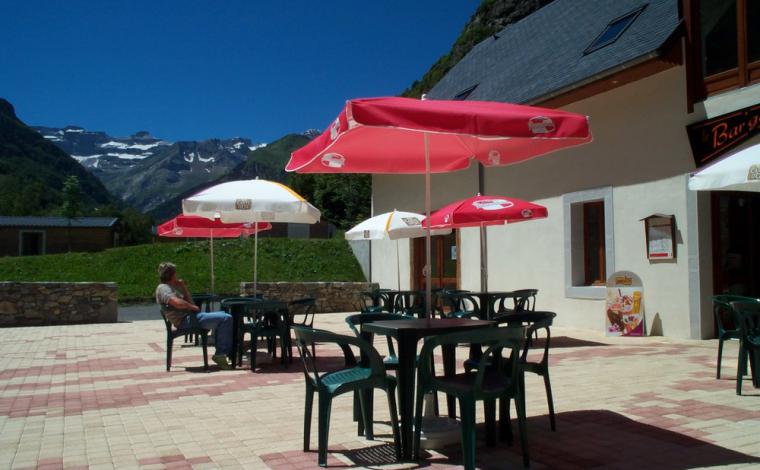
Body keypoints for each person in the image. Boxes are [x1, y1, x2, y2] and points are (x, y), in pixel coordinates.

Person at [155, 261, 233, 369]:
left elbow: (190, 302)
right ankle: (221, 353)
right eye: (175, 274)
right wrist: (191, 307)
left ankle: (224, 347)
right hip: (186, 321)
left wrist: (183, 287)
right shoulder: (163, 288)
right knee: (226, 318)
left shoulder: (169, 287)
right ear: (172, 275)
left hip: (191, 318)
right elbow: (177, 303)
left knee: (223, 314)